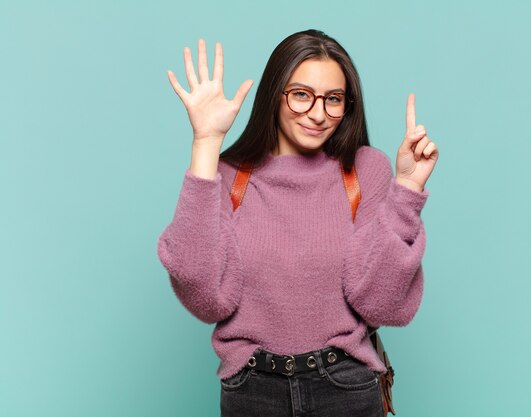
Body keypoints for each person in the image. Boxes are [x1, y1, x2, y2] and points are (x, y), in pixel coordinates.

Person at [157, 29, 439, 417]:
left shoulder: (365, 170)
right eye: (302, 95)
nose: (319, 114)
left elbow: (381, 303)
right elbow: (205, 295)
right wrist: (205, 143)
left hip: (345, 388)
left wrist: (406, 188)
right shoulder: (228, 176)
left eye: (334, 99)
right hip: (252, 392)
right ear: (275, 94)